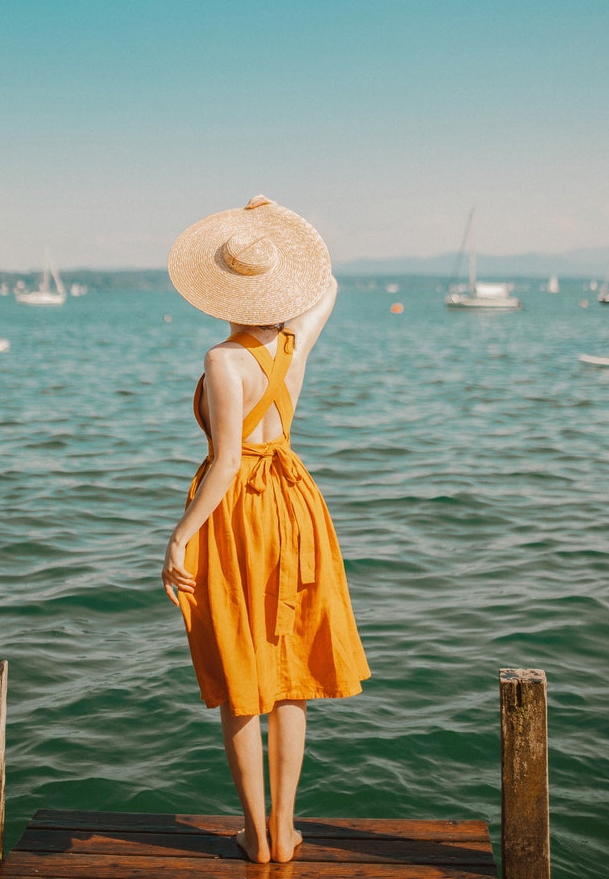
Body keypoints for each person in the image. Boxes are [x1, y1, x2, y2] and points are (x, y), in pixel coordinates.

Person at [162, 195, 370, 864]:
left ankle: (256, 835)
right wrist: (282, 221)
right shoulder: (293, 340)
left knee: (241, 675)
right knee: (289, 675)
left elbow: (225, 462)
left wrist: (179, 536)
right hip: (295, 506)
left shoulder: (224, 360)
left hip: (239, 517)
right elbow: (328, 282)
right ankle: (285, 828)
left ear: (222, 288)